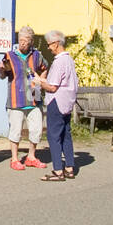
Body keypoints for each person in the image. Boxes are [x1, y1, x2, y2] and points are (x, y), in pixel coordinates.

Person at [0, 25, 48, 170]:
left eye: (26, 40)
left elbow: (45, 68)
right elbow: (3, 76)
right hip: (16, 99)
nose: (23, 43)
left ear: (31, 41)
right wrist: (1, 70)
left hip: (34, 98)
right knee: (15, 130)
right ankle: (14, 159)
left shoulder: (37, 55)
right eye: (21, 39)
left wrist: (40, 81)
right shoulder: (9, 55)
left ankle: (31, 157)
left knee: (37, 129)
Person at [33, 29, 80, 180]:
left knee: (53, 136)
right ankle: (70, 167)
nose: (48, 47)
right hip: (67, 101)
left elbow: (52, 87)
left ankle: (58, 170)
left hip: (57, 101)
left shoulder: (60, 61)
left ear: (57, 43)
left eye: (50, 44)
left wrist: (39, 83)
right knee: (66, 134)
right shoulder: (69, 59)